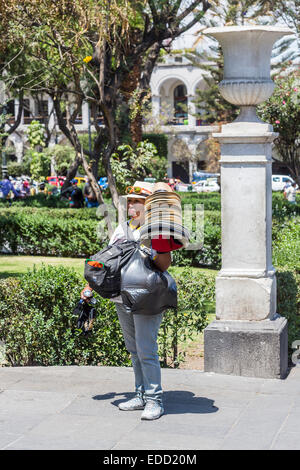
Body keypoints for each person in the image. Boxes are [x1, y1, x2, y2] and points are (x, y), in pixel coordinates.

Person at [81, 181, 180, 420]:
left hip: (147, 297)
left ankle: (155, 400)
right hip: (121, 296)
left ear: (150, 205)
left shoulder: (158, 230)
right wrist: (90, 285)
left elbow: (164, 265)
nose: (132, 205)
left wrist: (160, 247)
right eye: (131, 201)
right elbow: (109, 260)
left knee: (146, 350)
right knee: (134, 350)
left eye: (138, 201)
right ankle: (141, 395)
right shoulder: (122, 229)